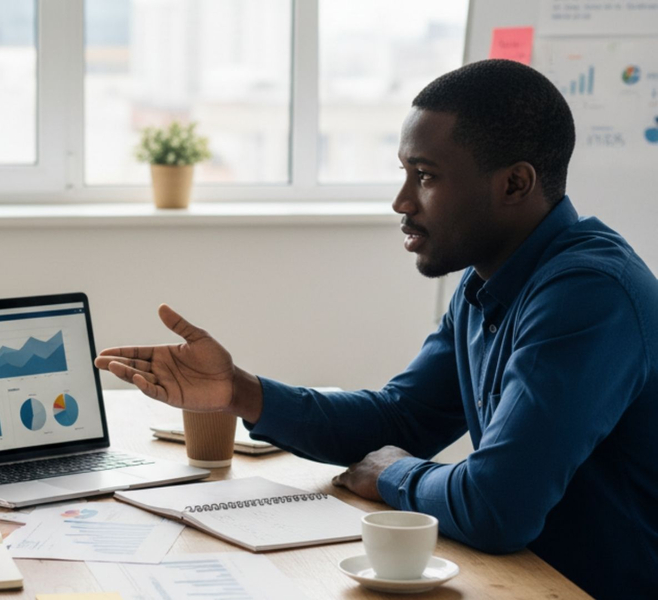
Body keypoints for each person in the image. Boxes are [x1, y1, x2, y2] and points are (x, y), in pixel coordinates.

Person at [95, 59, 657, 599]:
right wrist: (240, 392)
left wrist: (396, 473)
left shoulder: (587, 296)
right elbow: (400, 416)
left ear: (514, 184)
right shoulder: (491, 277)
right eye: (404, 172)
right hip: (533, 580)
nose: (402, 201)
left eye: (426, 176)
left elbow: (497, 509)